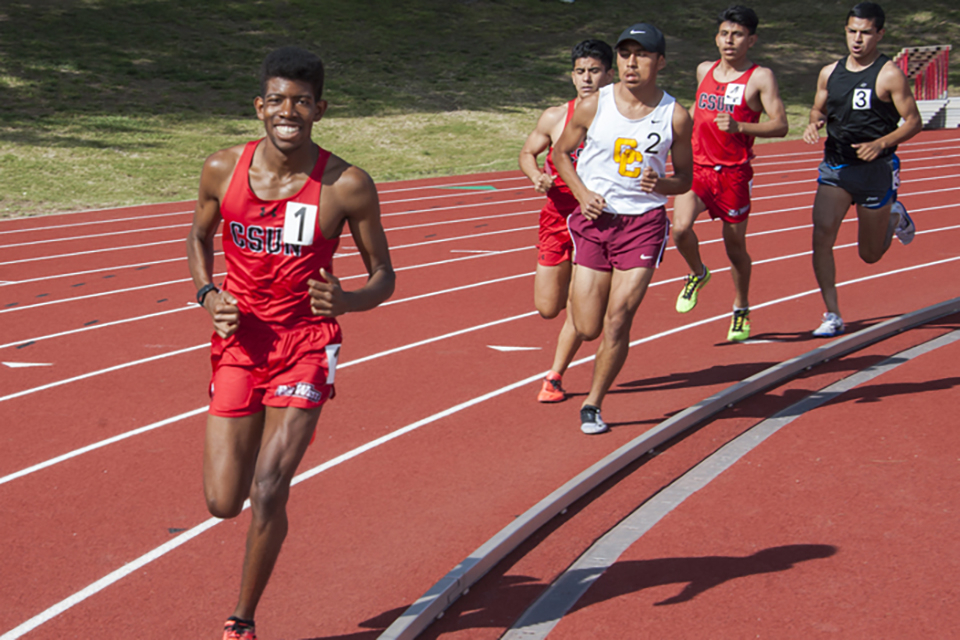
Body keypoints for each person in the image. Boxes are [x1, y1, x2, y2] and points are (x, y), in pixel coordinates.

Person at [185, 47, 395, 640]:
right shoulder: (222, 169)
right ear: (259, 106)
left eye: (301, 101)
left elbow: (385, 274)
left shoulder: (346, 184)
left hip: (305, 343)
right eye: (277, 100)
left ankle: (242, 618)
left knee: (269, 486)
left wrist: (349, 300)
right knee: (224, 502)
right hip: (240, 342)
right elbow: (198, 238)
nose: (288, 111)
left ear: (320, 109)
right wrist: (207, 295)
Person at [552, 23, 693, 434]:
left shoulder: (675, 116)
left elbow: (683, 179)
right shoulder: (594, 105)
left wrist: (662, 185)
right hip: (595, 221)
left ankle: (593, 405)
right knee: (588, 325)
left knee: (617, 320)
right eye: (625, 54)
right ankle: (589, 369)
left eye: (642, 54)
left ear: (660, 62)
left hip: (643, 224)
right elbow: (561, 154)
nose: (632, 63)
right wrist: (581, 193)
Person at [671, 5, 788, 342]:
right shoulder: (703, 70)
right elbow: (699, 110)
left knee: (734, 247)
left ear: (751, 39)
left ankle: (740, 307)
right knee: (679, 229)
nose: (729, 41)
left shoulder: (760, 77)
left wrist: (741, 125)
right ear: (716, 37)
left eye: (737, 35)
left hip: (733, 174)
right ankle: (698, 273)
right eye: (724, 34)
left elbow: (781, 125)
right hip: (697, 169)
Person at [804, 2, 921, 337]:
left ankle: (895, 216)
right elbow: (817, 108)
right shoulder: (830, 72)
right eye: (852, 31)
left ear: (879, 34)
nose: (857, 39)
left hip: (875, 171)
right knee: (821, 235)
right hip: (836, 167)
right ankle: (832, 313)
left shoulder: (889, 75)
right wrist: (815, 123)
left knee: (869, 255)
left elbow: (913, 122)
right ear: (845, 31)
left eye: (866, 32)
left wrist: (882, 143)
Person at [518, 39, 614, 403]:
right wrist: (534, 176)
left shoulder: (620, 119)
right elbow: (528, 153)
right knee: (547, 307)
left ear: (609, 73)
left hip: (597, 223)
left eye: (593, 71)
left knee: (582, 309)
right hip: (556, 218)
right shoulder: (556, 116)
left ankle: (554, 375)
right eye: (580, 71)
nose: (586, 78)